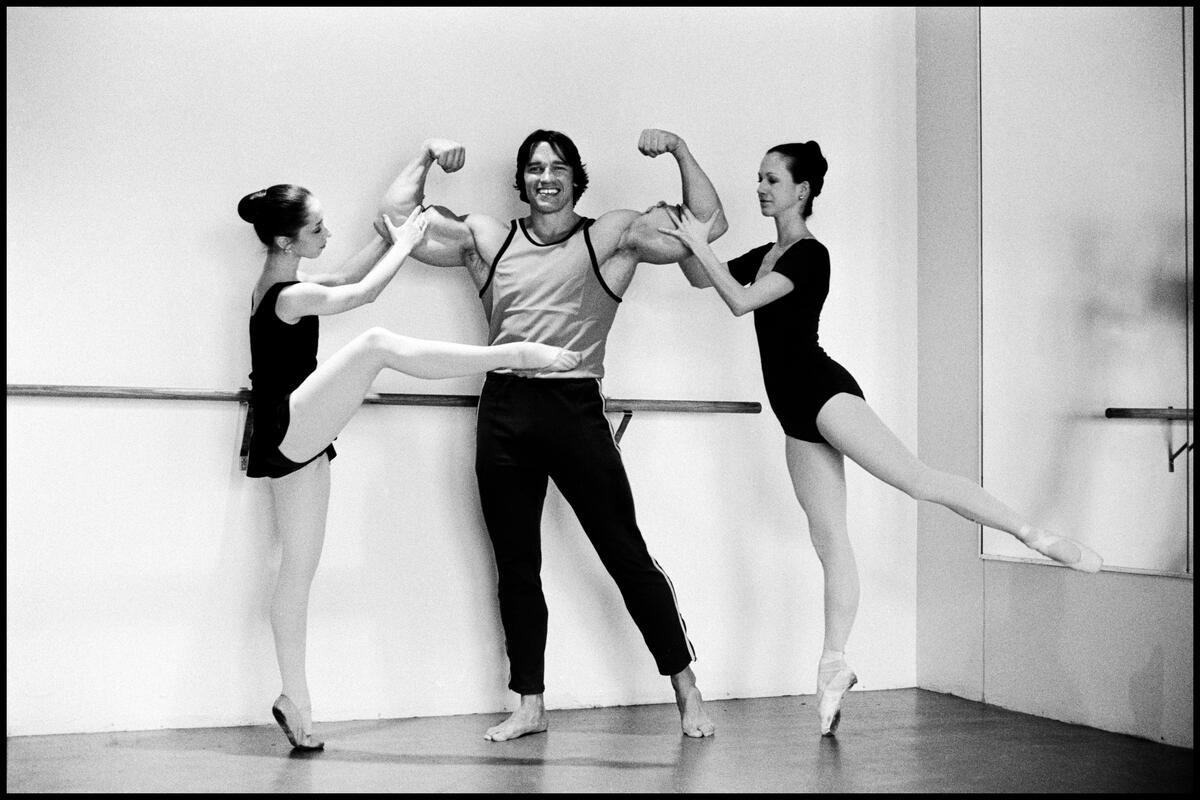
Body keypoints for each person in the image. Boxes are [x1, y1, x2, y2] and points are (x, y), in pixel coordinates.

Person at [657, 141, 1104, 737]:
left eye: (771, 179)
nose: (760, 188)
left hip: (824, 393)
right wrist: (684, 187)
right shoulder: (766, 254)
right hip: (793, 414)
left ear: (801, 191)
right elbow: (697, 275)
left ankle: (1035, 535)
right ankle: (833, 664)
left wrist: (697, 240)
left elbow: (738, 302)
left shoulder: (810, 255)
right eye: (758, 178)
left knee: (917, 480)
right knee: (830, 540)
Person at [377, 129, 728, 740]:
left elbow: (707, 224)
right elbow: (395, 222)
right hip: (504, 408)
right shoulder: (490, 238)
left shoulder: (611, 235)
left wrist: (678, 149)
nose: (546, 177)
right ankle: (530, 703)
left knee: (625, 555)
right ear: (522, 179)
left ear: (574, 177)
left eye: (558, 167)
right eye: (535, 168)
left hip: (574, 407)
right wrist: (427, 156)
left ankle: (686, 687)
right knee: (516, 567)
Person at [239, 183, 580, 751]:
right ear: (284, 241)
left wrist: (388, 236)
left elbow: (347, 277)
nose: (328, 234)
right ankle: (511, 355)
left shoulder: (284, 285)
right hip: (286, 424)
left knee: (297, 569)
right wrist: (409, 240)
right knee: (376, 343)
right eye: (317, 228)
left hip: (293, 438)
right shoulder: (287, 296)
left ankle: (295, 700)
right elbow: (364, 294)